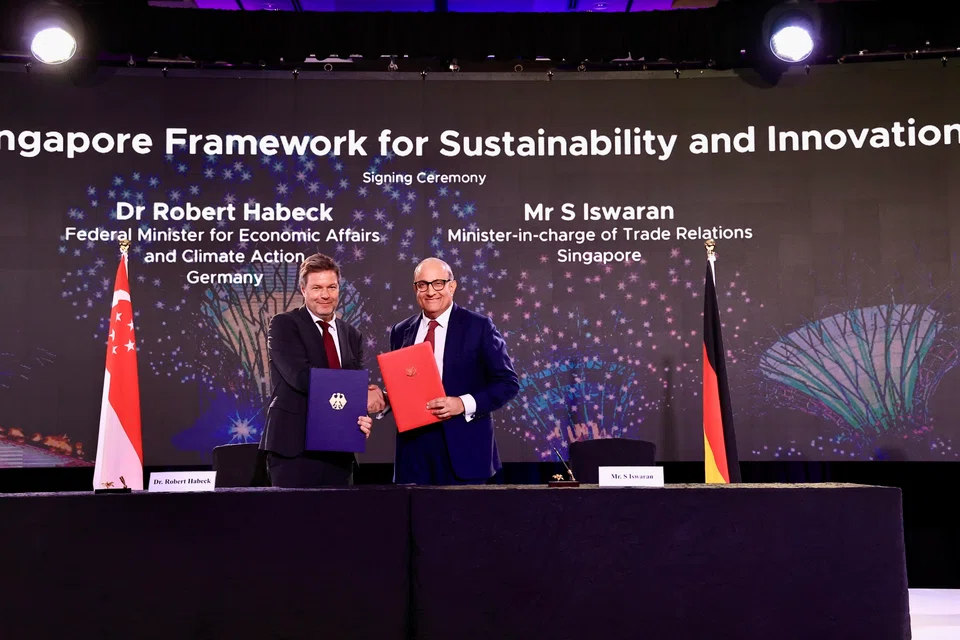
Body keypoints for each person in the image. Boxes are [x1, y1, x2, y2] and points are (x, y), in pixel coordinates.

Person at [384, 257, 520, 485]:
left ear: (452, 286)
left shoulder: (479, 326)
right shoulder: (401, 331)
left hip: (464, 452)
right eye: (423, 285)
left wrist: (462, 403)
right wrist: (386, 398)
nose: (430, 292)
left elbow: (507, 383)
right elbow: (405, 385)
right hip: (413, 455)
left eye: (438, 283)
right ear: (415, 289)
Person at [259, 253, 384, 488]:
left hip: (340, 450)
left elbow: (352, 387)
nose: (325, 295)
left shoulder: (352, 335)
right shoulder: (284, 324)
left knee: (338, 513)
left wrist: (362, 412)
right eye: (317, 288)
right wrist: (361, 394)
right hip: (294, 450)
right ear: (303, 290)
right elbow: (301, 377)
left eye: (331, 287)